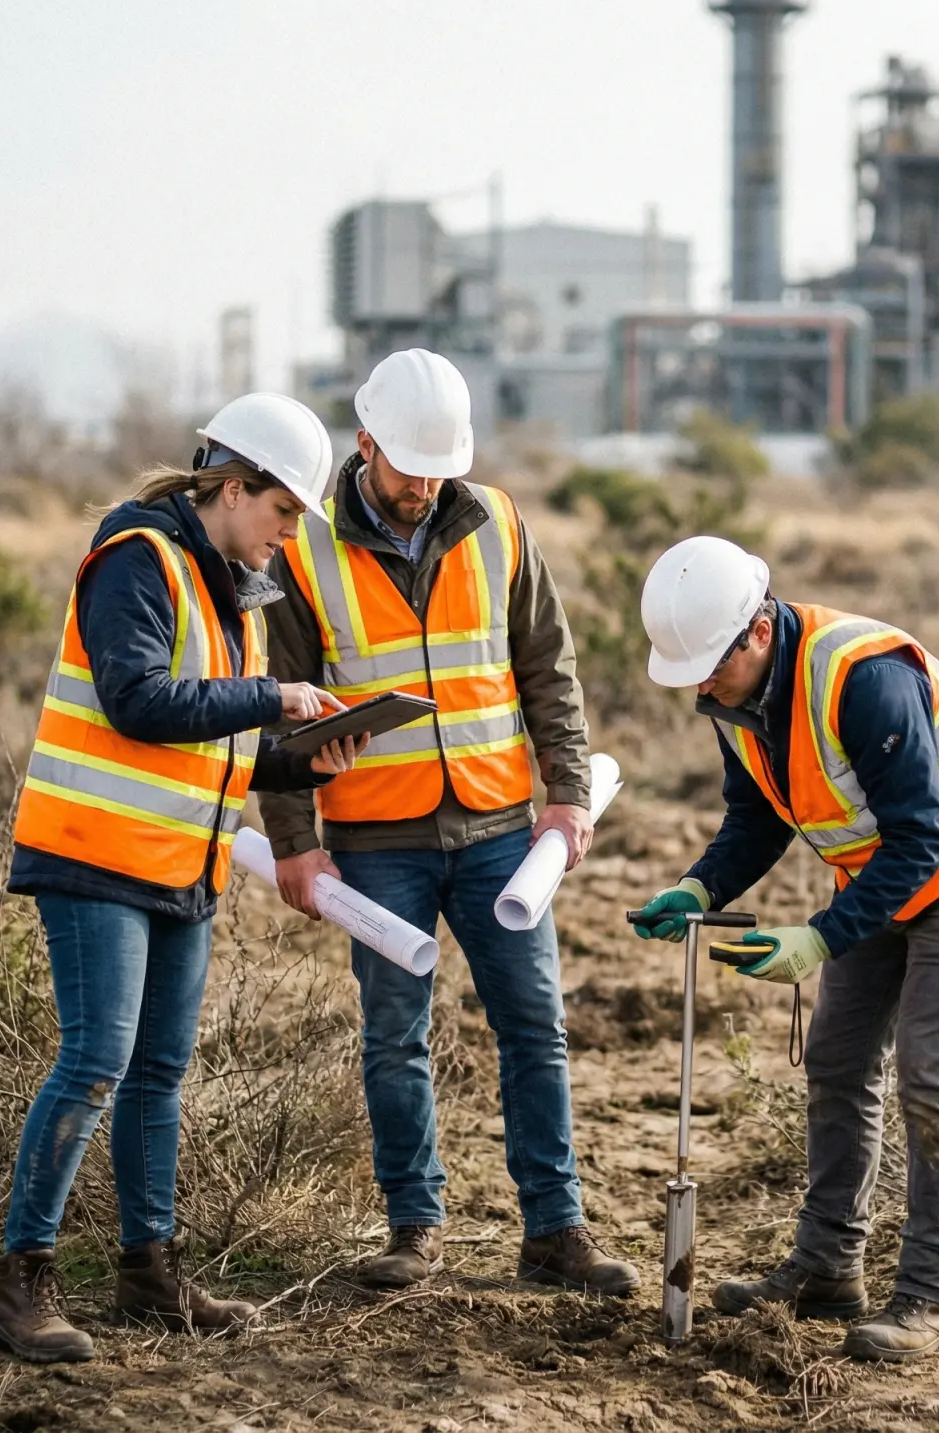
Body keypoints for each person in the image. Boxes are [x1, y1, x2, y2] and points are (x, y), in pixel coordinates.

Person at [0, 393, 367, 1364]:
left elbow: (210, 741)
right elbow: (139, 699)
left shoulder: (227, 582)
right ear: (233, 487)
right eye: (283, 513)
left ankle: (147, 1267)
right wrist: (275, 693)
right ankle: (17, 1284)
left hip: (174, 862)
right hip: (94, 854)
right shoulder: (138, 556)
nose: (288, 537)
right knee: (97, 1060)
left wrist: (294, 760)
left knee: (157, 1073)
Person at [259, 349, 639, 1296]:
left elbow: (548, 668)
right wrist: (297, 844)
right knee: (395, 1033)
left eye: (441, 467)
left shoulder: (499, 523)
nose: (425, 486)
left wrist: (567, 793)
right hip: (375, 838)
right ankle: (413, 1229)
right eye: (408, 467)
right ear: (366, 444)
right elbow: (279, 715)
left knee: (535, 1026)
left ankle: (555, 1231)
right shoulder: (304, 548)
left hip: (501, 824)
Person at [630, 535, 939, 1363]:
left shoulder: (863, 678)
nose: (702, 687)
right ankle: (828, 1268)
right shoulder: (735, 697)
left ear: (757, 630)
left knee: (933, 1069)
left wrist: (820, 937)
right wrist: (701, 887)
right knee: (837, 1059)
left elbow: (921, 839)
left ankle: (932, 1296)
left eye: (711, 667)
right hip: (879, 868)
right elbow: (757, 816)